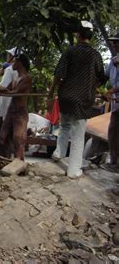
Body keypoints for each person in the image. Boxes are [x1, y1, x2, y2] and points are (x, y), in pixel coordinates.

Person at [48, 21, 107, 179]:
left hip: (66, 97)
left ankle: (58, 153)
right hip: (82, 99)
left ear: (78, 35)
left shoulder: (70, 52)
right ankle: (73, 171)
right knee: (78, 135)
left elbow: (58, 75)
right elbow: (101, 77)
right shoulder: (95, 55)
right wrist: (95, 87)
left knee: (65, 125)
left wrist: (50, 94)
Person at [0, 54, 32, 160]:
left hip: (20, 112)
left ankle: (19, 162)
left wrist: (4, 92)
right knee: (3, 136)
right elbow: (6, 89)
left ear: (20, 63)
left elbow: (15, 92)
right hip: (11, 110)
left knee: (18, 138)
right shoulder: (15, 78)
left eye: (15, 61)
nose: (12, 63)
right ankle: (4, 160)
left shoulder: (27, 78)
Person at [0, 48, 19, 154]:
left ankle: (0, 154)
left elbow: (2, 86)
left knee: (0, 133)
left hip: (4, 107)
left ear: (12, 57)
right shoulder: (21, 71)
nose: (7, 57)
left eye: (9, 55)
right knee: (10, 134)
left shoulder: (10, 70)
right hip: (14, 106)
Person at [103, 31, 119, 172]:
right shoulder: (113, 61)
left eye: (116, 41)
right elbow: (104, 77)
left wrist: (111, 91)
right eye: (113, 42)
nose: (114, 44)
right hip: (116, 105)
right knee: (113, 130)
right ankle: (114, 162)